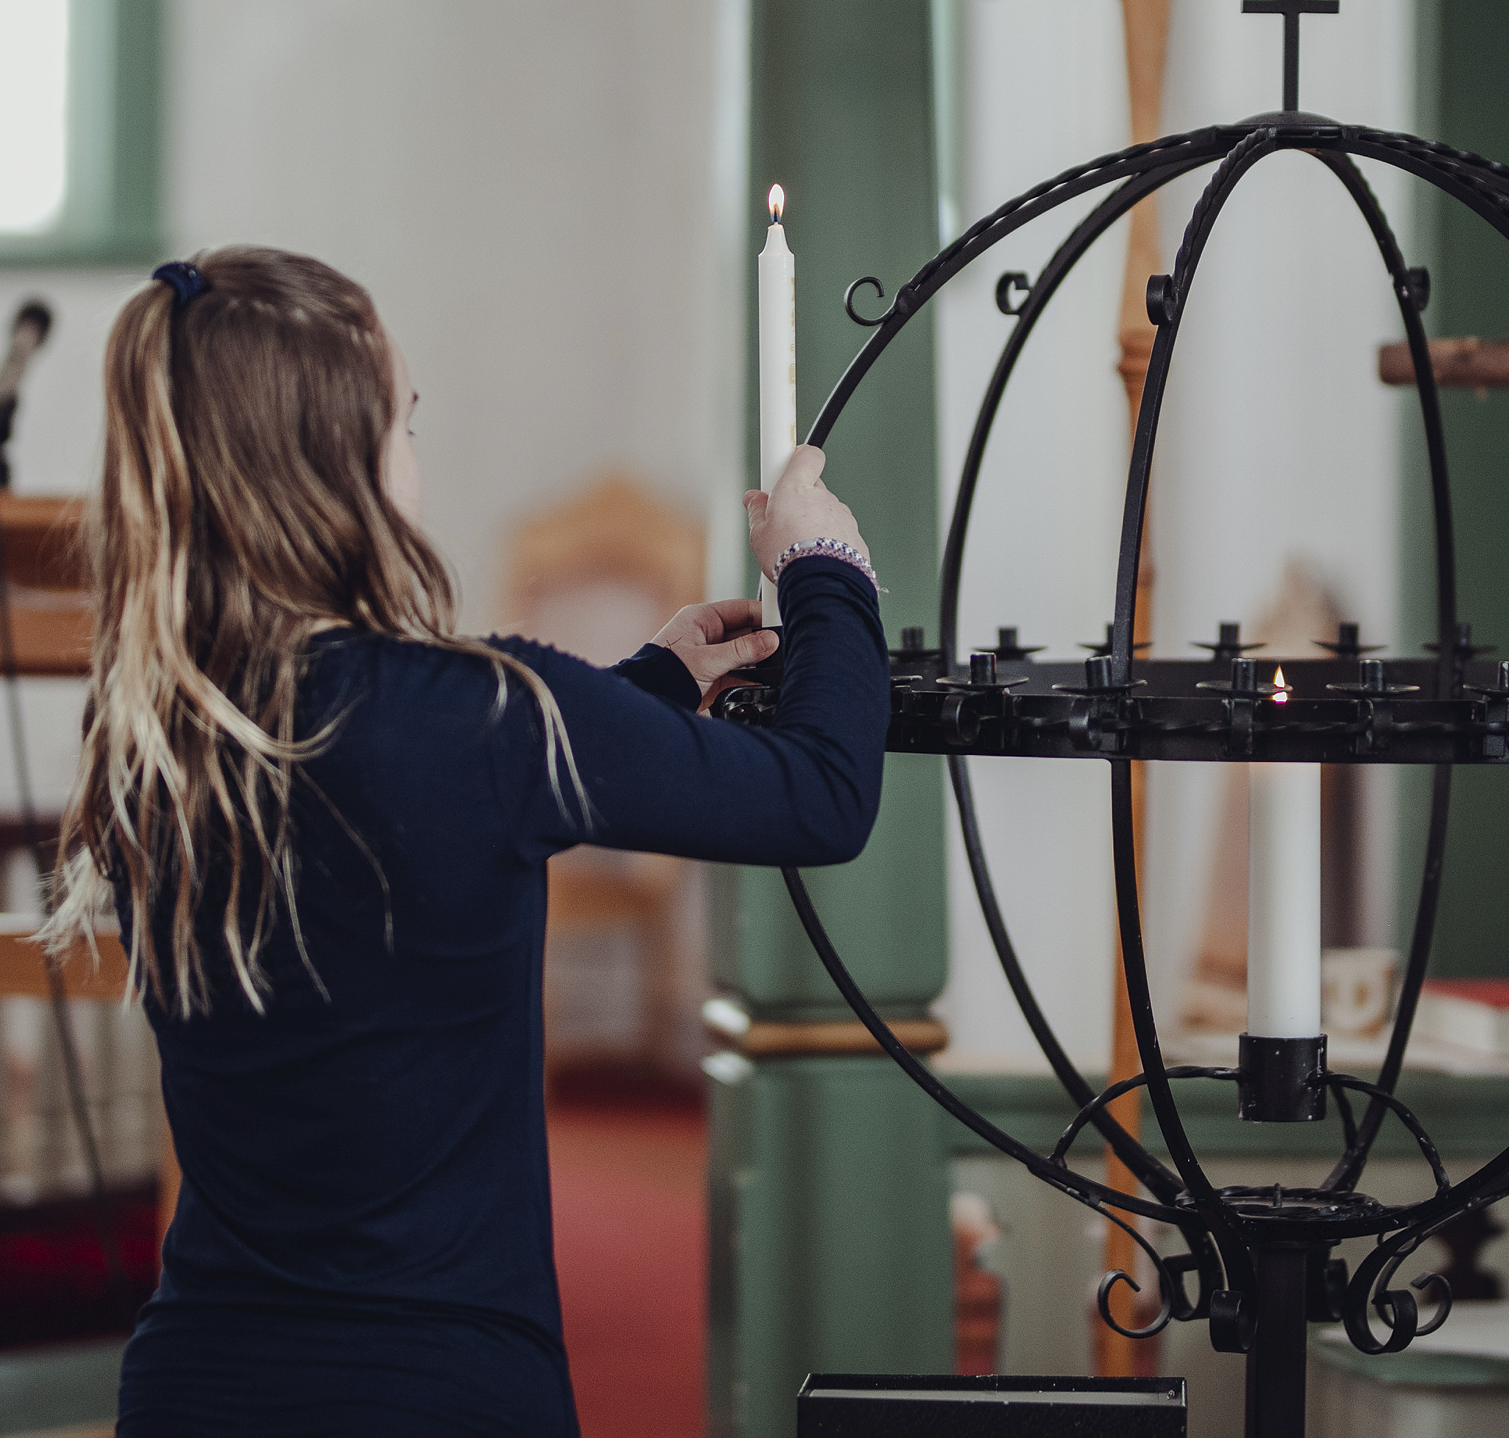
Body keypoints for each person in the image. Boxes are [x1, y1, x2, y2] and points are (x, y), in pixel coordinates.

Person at [46, 246, 890, 1436]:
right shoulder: (487, 719)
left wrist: (649, 681)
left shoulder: (153, 733)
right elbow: (822, 794)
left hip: (200, 1382)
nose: (412, 457)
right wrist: (827, 568)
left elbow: (403, 804)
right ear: (341, 465)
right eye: (405, 425)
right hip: (439, 1390)